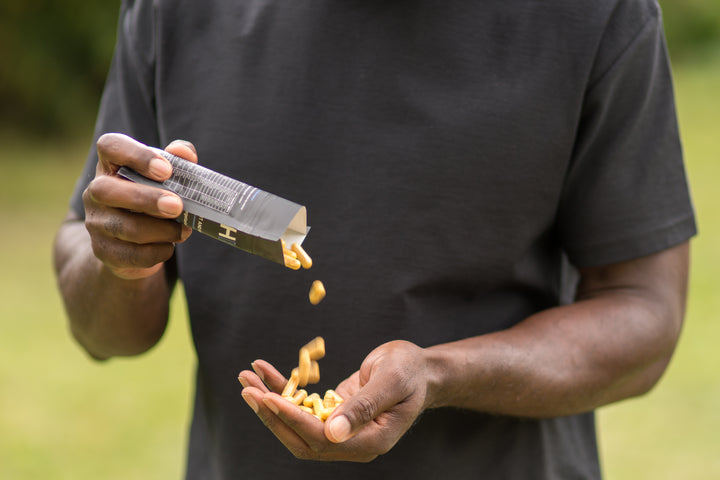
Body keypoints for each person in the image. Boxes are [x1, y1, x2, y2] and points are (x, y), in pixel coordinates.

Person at [53, 0, 696, 478]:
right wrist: (122, 261)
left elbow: (644, 313)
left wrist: (440, 374)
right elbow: (105, 325)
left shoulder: (592, 15)